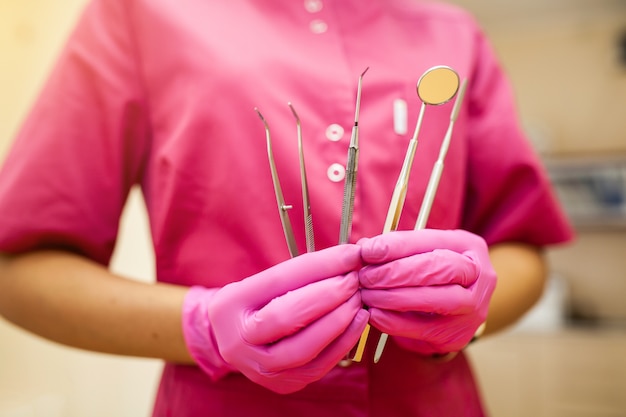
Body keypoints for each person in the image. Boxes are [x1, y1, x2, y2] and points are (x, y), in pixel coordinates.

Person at [0, 0, 573, 416]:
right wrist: (203, 328)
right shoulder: (140, 13)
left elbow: (523, 247)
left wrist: (474, 302)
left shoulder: (452, 33)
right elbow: (19, 271)